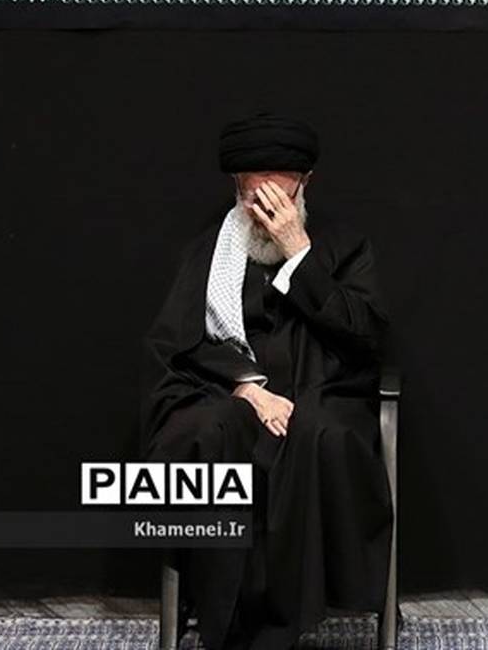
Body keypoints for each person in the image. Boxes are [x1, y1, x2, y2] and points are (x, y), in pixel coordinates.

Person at [138, 112, 393, 650]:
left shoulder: (344, 246)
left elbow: (366, 337)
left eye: (281, 196)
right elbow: (174, 345)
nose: (269, 212)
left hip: (319, 391)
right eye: (256, 197)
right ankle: (225, 623)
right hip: (226, 391)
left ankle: (282, 626)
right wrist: (247, 388)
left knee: (316, 436)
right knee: (207, 432)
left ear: (306, 184)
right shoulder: (209, 251)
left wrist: (299, 251)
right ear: (237, 186)